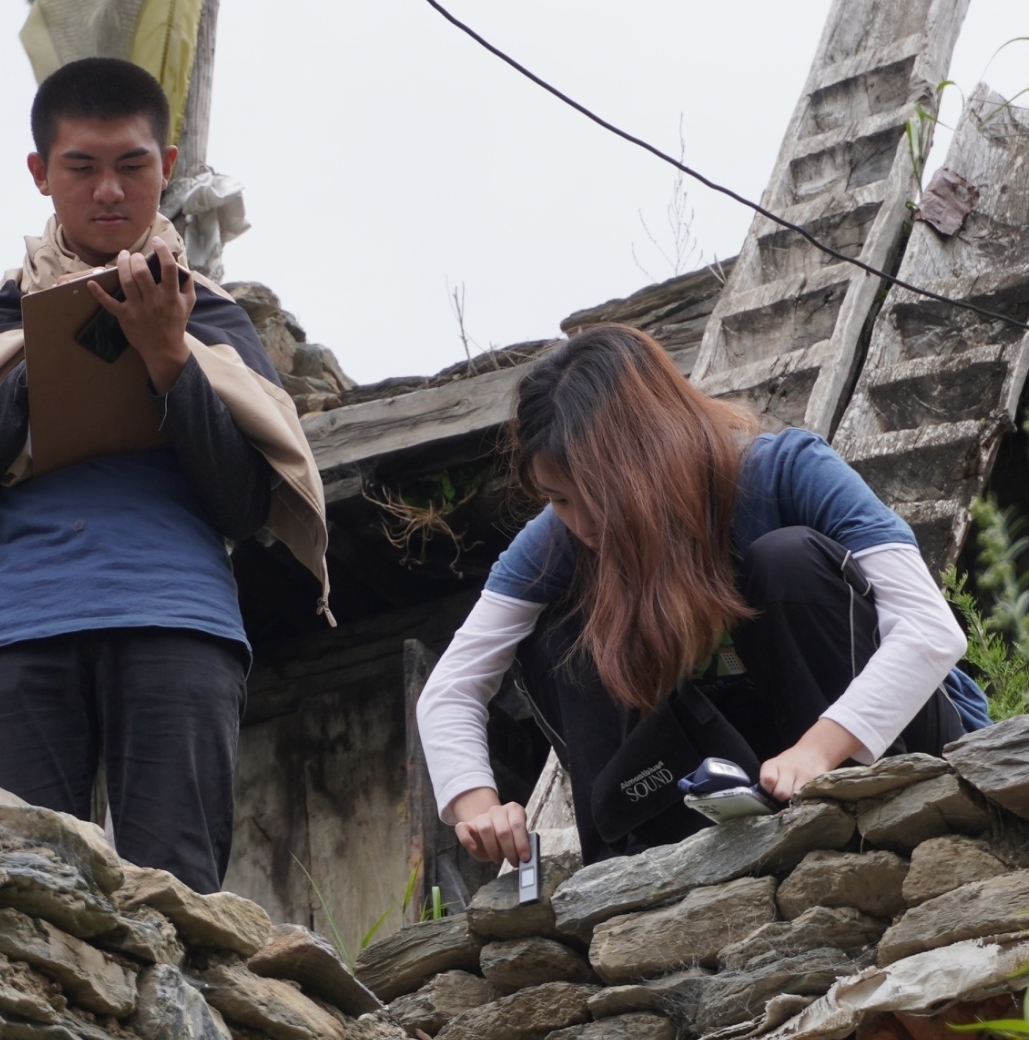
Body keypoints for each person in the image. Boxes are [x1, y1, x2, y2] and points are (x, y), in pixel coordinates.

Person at [0, 57, 330, 894]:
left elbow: (243, 501)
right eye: (82, 167)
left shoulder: (211, 320)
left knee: (177, 897)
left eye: (132, 165)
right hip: (14, 634)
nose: (109, 191)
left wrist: (166, 358)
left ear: (169, 167)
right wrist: (55, 352)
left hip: (177, 625)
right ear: (42, 174)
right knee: (18, 895)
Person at [416, 324, 990, 866]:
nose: (582, 523)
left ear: (651, 458)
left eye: (597, 495)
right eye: (559, 499)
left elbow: (929, 629)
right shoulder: (562, 540)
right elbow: (452, 686)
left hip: (893, 754)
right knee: (562, 637)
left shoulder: (785, 470)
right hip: (744, 776)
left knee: (786, 559)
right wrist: (479, 810)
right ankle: (625, 871)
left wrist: (816, 753)